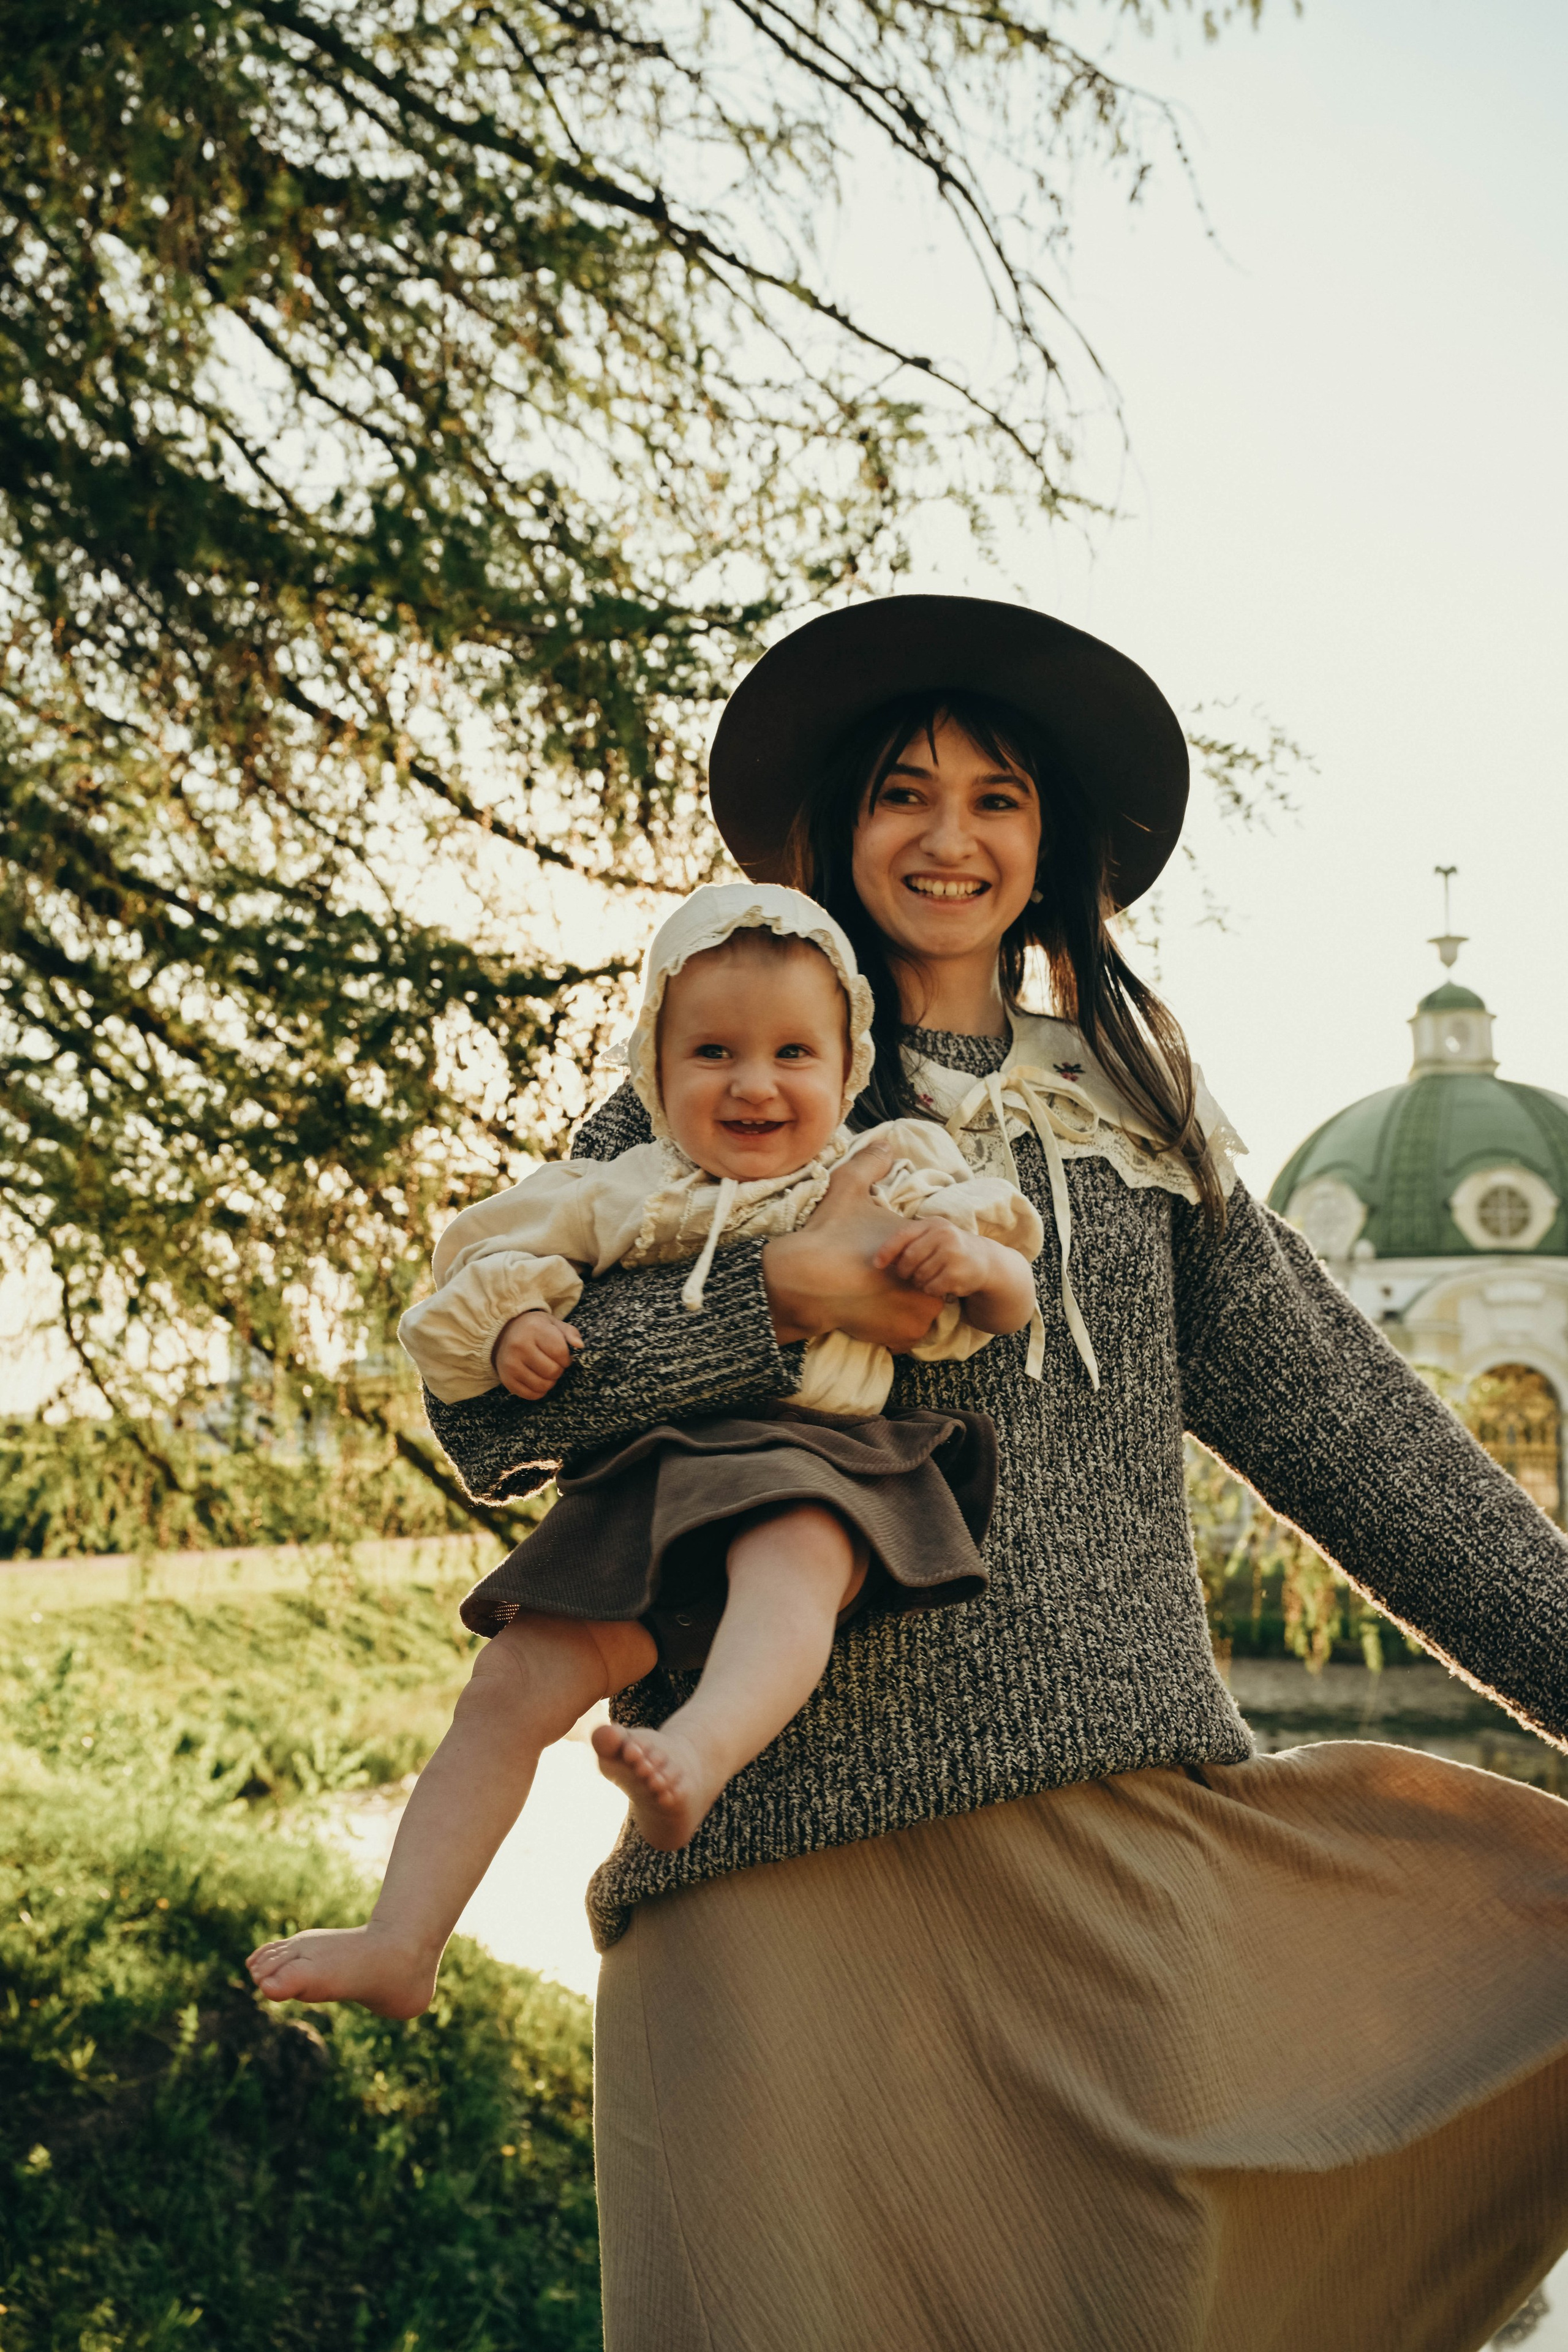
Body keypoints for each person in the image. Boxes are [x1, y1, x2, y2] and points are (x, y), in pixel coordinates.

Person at [391, 597, 1568, 2347]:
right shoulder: (740, 1080)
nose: (950, 838)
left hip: (1122, 1885)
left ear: (1051, 847)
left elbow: (1377, 1453)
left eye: (998, 797)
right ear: (839, 834)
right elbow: (487, 1417)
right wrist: (778, 1298)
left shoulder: (1146, 1124)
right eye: (904, 794)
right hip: (770, 1883)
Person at [246, 881, 1039, 2019]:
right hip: (649, 1476)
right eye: (712, 1050)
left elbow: (1014, 1280)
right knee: (509, 1684)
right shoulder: (625, 1188)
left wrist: (971, 1269)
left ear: (848, 1067)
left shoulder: (890, 1169)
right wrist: (516, 1329)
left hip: (821, 1458)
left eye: (792, 1053)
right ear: (655, 1071)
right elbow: (477, 1269)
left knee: (794, 1567)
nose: (754, 1082)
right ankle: (401, 1938)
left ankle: (700, 1755)